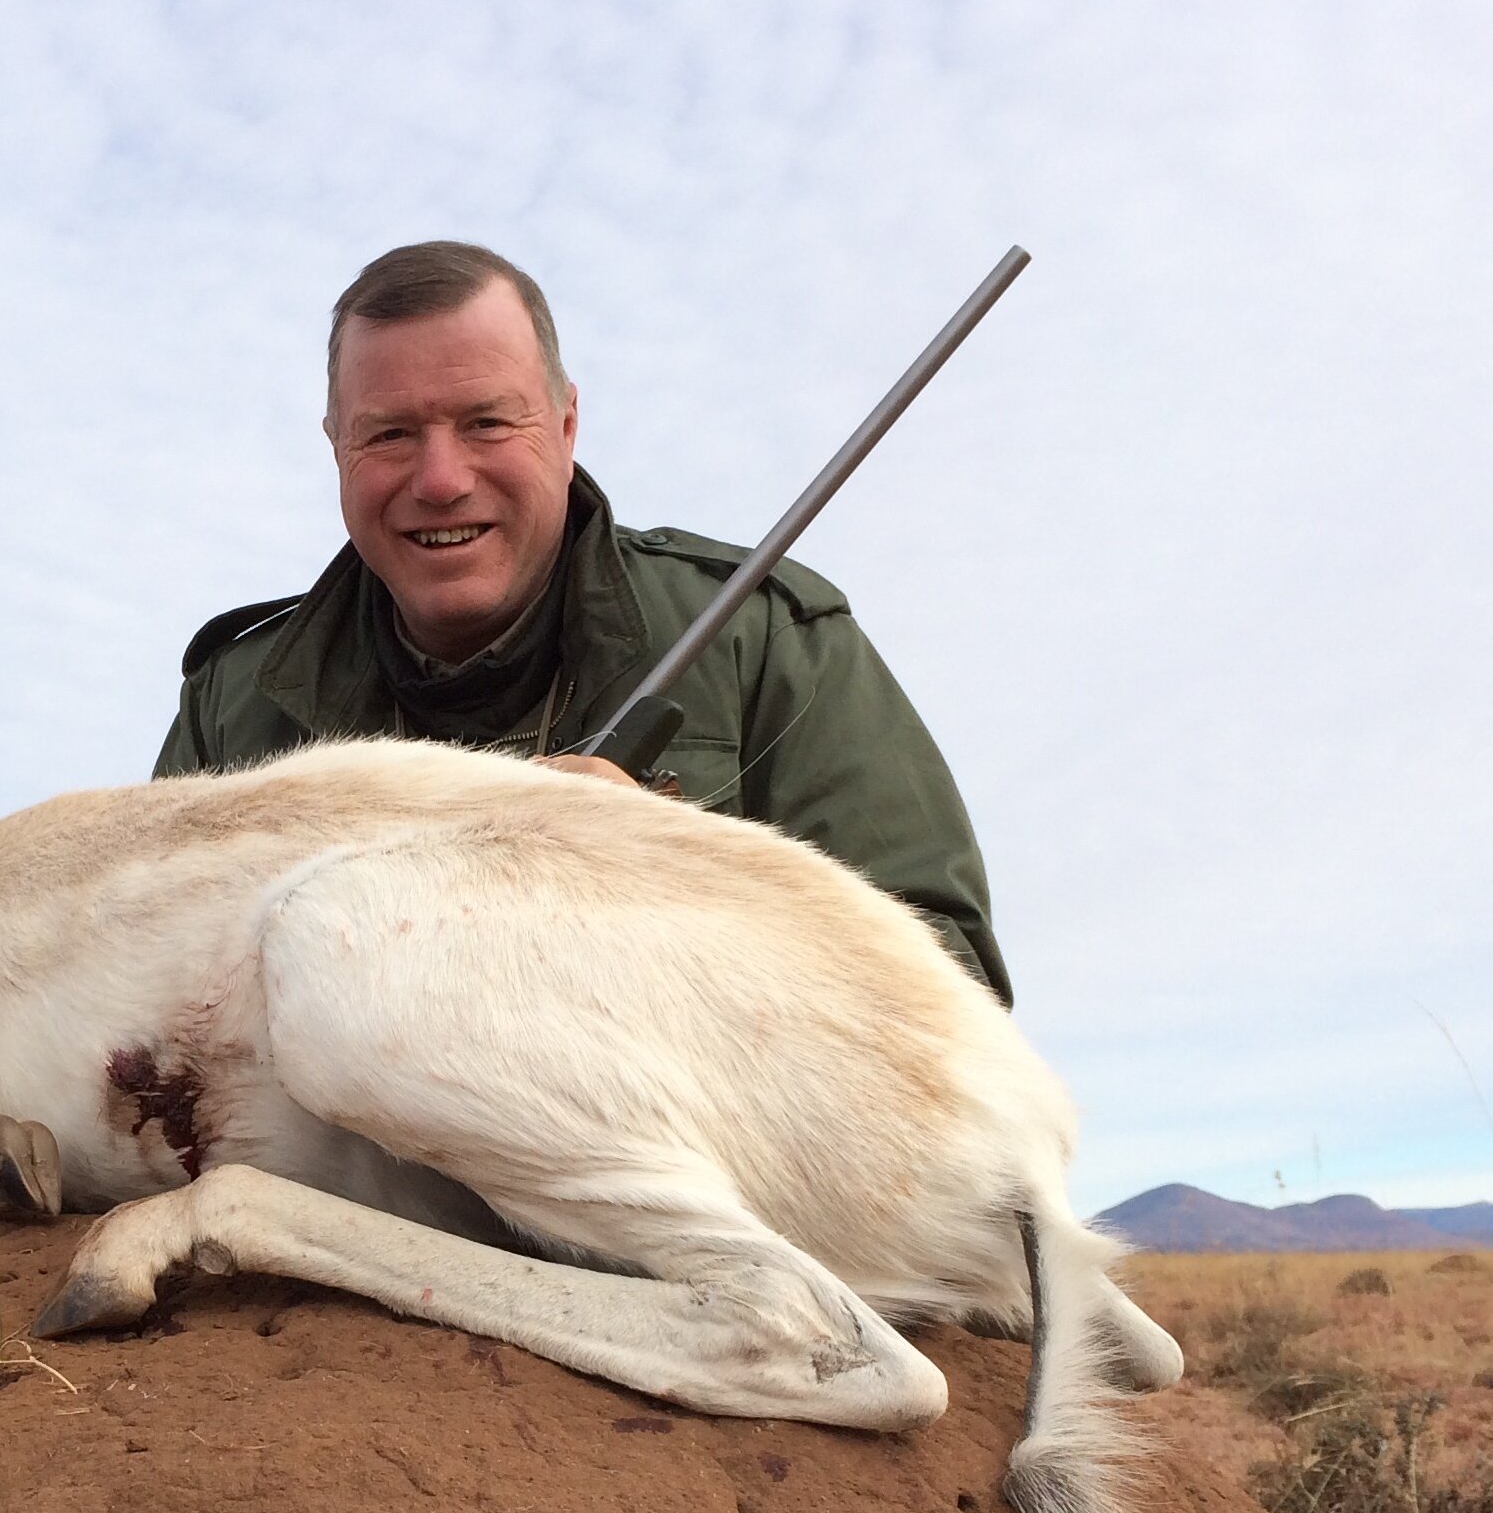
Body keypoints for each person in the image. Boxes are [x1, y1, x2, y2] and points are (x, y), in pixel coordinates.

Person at [151, 240, 1011, 1002]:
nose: (442, 478)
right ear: (337, 447)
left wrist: (678, 884)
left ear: (565, 426)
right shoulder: (229, 708)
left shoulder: (769, 640)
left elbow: (952, 997)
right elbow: (127, 999)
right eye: (391, 435)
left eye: (487, 421)